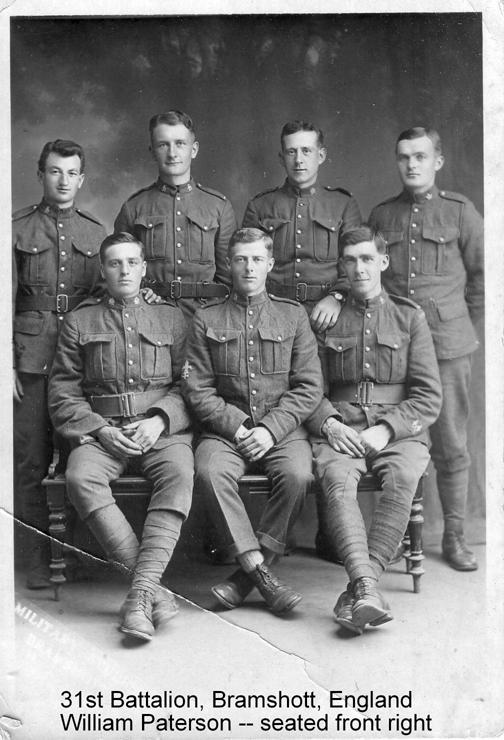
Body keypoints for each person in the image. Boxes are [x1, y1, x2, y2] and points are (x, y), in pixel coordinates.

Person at [48, 233, 193, 642]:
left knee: (180, 475)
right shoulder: (81, 320)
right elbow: (62, 393)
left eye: (132, 262)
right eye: (115, 263)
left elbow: (191, 385)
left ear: (144, 268)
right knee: (80, 479)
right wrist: (100, 430)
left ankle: (139, 596)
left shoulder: (172, 318)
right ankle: (151, 592)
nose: (124, 270)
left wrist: (161, 420)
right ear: (103, 270)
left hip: (159, 432)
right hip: (104, 430)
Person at [308, 225, 442, 634]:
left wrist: (386, 430)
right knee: (335, 478)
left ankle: (362, 588)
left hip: (399, 429)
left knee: (403, 476)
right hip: (343, 426)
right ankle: (365, 591)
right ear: (341, 266)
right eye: (350, 260)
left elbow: (428, 396)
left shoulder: (408, 316)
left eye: (367, 259)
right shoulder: (327, 318)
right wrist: (328, 423)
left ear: (382, 262)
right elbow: (309, 389)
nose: (359, 268)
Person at [182, 227, 323, 615]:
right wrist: (240, 426)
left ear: (270, 265)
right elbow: (198, 389)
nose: (248, 267)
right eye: (241, 259)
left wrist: (270, 429)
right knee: (209, 471)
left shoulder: (293, 315)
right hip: (226, 431)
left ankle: (247, 576)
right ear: (229, 264)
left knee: (299, 475)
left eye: (257, 259)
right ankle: (261, 571)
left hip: (282, 429)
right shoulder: (206, 318)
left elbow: (309, 387)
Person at [368, 126, 484, 571]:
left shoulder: (460, 212)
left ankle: (453, 536)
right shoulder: (383, 216)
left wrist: (457, 324)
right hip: (394, 347)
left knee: (451, 441)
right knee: (397, 438)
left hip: (448, 347)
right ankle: (396, 535)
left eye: (420, 156)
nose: (411, 164)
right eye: (404, 157)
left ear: (437, 160)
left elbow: (484, 277)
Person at [13, 139, 106, 588]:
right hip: (29, 360)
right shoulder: (16, 229)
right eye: (54, 171)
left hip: (79, 365)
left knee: (80, 458)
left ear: (82, 179)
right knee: (30, 461)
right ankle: (32, 559)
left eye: (71, 173)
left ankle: (77, 554)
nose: (63, 180)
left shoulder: (95, 233)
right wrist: (4, 363)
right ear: (41, 174)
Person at [114, 110, 236, 319]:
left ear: (194, 149)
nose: (172, 153)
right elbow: (120, 271)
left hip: (206, 319)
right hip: (150, 317)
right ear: (152, 151)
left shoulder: (218, 207)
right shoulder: (134, 207)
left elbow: (230, 277)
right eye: (163, 145)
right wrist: (141, 291)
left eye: (180, 143)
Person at [242, 120, 361, 332]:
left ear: (321, 156)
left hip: (327, 316)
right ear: (281, 158)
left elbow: (355, 262)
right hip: (271, 315)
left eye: (306, 151)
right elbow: (246, 265)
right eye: (291, 152)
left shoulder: (343, 204)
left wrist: (337, 296)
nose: (299, 160)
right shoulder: (260, 206)